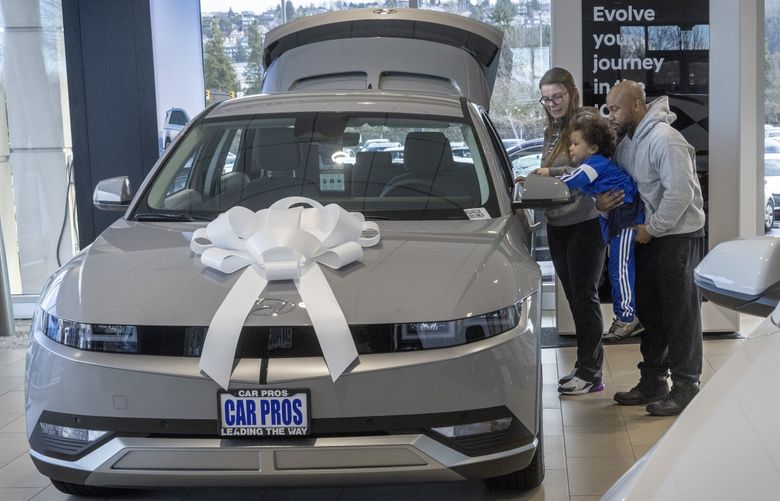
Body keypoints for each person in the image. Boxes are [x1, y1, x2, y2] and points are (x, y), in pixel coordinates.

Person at [599, 80, 705, 416]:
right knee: (652, 315)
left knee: (680, 315)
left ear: (636, 106)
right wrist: (603, 204)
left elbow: (680, 194)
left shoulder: (666, 140)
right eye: (607, 108)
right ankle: (654, 381)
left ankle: (687, 388)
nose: (609, 114)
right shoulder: (628, 143)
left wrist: (653, 229)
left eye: (614, 108)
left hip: (675, 237)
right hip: (644, 236)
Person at [527, 68, 606, 395]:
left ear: (572, 92)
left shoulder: (585, 122)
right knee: (575, 297)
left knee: (584, 296)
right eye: (546, 98)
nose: (552, 103)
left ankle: (591, 374)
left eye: (557, 96)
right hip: (558, 224)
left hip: (585, 223)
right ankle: (585, 367)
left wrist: (550, 171)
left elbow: (589, 167)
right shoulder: (553, 129)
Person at [534, 108, 644, 343]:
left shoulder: (593, 165)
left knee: (620, 267)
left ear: (592, 148)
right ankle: (625, 315)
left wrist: (539, 185)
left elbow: (572, 181)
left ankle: (627, 317)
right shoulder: (594, 164)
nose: (570, 148)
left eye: (575, 144)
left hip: (625, 217)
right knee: (616, 267)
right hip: (615, 217)